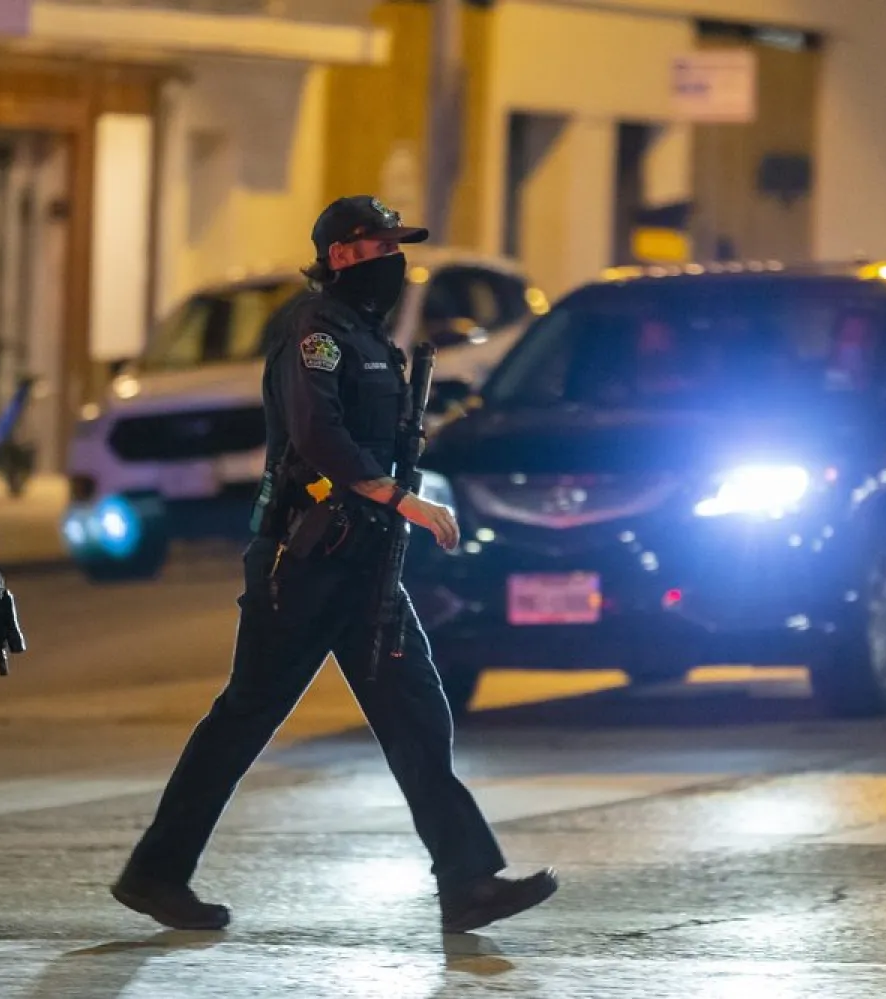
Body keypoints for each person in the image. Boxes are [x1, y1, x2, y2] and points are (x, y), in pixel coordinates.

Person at [110, 195, 559, 934]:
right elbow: (317, 431)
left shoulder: (369, 335)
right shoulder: (313, 326)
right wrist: (400, 497)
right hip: (307, 556)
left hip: (362, 560)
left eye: (396, 247)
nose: (395, 261)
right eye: (382, 248)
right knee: (245, 716)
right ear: (344, 254)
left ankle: (468, 880)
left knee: (417, 711)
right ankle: (157, 871)